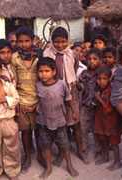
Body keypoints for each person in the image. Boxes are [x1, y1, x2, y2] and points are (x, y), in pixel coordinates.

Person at [43, 26, 87, 164]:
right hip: (55, 91)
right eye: (56, 42)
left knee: (75, 121)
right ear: (51, 41)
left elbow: (74, 68)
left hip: (70, 89)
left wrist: (71, 82)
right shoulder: (46, 54)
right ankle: (62, 152)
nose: (60, 45)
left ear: (68, 41)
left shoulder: (72, 54)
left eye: (63, 42)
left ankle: (81, 149)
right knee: (60, 124)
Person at [36, 57, 79, 178]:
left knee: (64, 144)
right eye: (40, 71)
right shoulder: (38, 85)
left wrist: (74, 112)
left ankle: (69, 165)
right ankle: (49, 167)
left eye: (46, 71)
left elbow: (68, 99)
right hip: (43, 122)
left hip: (60, 121)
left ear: (54, 71)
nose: (43, 74)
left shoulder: (61, 84)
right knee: (45, 145)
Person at [11, 26, 40, 170]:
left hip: (38, 100)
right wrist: (17, 102)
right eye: (20, 41)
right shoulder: (14, 58)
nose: (24, 44)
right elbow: (13, 82)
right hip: (22, 101)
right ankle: (28, 156)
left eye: (27, 41)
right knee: (26, 131)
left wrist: (40, 100)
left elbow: (43, 78)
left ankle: (40, 154)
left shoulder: (39, 55)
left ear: (32, 40)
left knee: (39, 130)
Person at [94, 67, 122, 170]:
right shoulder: (99, 90)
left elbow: (109, 109)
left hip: (111, 121)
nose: (101, 81)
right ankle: (105, 157)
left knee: (113, 142)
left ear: (109, 79)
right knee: (103, 139)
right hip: (101, 121)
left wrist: (99, 99)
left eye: (104, 78)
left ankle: (117, 161)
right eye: (99, 79)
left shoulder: (112, 91)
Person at [78, 48, 103, 156]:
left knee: (97, 128)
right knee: (83, 127)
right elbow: (81, 86)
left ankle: (99, 149)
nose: (92, 61)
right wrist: (79, 86)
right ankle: (84, 148)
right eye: (89, 59)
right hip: (85, 105)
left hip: (98, 106)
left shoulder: (102, 74)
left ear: (100, 60)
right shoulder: (84, 73)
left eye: (95, 59)